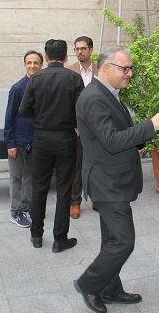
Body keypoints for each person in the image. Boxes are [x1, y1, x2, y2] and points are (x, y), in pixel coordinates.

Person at [73, 47, 159, 313]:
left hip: (112, 178)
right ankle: (88, 284)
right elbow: (110, 140)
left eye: (130, 68)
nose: (129, 73)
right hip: (106, 182)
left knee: (112, 240)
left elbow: (114, 135)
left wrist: (138, 142)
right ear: (106, 68)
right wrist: (151, 125)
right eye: (125, 68)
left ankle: (110, 288)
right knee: (123, 242)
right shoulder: (94, 97)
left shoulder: (106, 93)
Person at [19, 39, 85, 251]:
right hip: (66, 138)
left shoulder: (36, 79)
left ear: (46, 57)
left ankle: (36, 235)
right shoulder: (74, 78)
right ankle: (60, 238)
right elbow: (82, 109)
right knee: (64, 188)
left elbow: (24, 109)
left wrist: (41, 116)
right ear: (66, 57)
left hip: (41, 139)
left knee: (39, 187)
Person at [3, 50, 44, 228]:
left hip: (35, 142)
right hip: (19, 142)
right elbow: (9, 117)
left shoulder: (43, 86)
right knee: (17, 177)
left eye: (36, 62)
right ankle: (16, 211)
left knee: (30, 177)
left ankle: (26, 207)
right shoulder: (18, 88)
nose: (32, 66)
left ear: (41, 65)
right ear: (25, 65)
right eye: (29, 62)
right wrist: (10, 142)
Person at [67, 36, 98, 219]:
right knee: (76, 166)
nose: (79, 52)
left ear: (91, 50)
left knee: (97, 164)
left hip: (98, 127)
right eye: (77, 48)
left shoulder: (101, 70)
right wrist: (73, 126)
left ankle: (98, 198)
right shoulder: (69, 72)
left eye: (83, 48)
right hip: (77, 129)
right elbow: (65, 102)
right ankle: (75, 202)